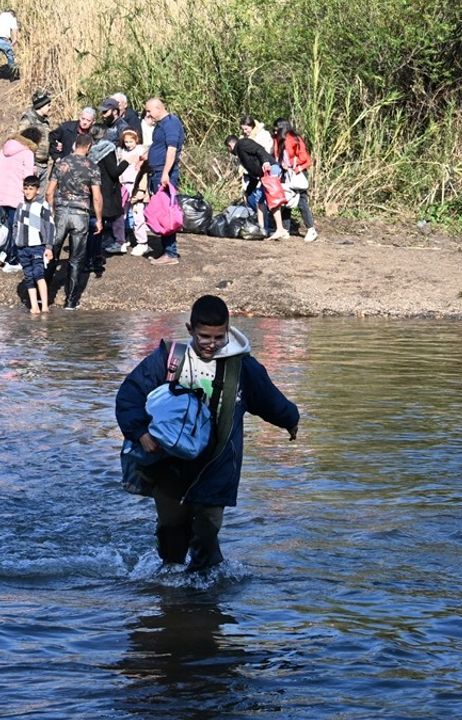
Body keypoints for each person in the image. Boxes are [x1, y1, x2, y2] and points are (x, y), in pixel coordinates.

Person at [115, 294, 299, 572]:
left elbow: (269, 400)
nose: (211, 344)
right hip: (169, 464)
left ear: (228, 331)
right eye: (204, 337)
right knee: (171, 533)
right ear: (190, 330)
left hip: (216, 467)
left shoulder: (243, 367)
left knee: (206, 534)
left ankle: (205, 596)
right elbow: (129, 395)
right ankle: (171, 591)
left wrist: (290, 420)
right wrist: (140, 433)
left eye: (218, 337)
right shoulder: (169, 358)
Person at [46, 133, 103, 310]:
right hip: (81, 214)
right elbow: (97, 197)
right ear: (88, 147)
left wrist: (51, 211)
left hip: (62, 212)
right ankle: (70, 301)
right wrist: (99, 219)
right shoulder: (92, 167)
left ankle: (45, 294)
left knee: (52, 252)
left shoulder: (61, 163)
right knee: (76, 259)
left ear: (74, 145)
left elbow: (49, 192)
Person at [143, 97, 186, 265]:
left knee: (166, 212)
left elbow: (172, 149)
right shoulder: (161, 125)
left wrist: (166, 173)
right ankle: (166, 250)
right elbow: (159, 147)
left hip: (165, 173)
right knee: (160, 211)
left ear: (158, 108)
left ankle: (170, 253)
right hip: (157, 171)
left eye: (149, 111)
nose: (147, 114)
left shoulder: (171, 123)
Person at [0, 127, 41, 272]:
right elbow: (28, 179)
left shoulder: (5, 148)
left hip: (2, 193)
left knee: (10, 226)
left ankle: (4, 254)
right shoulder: (27, 152)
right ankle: (13, 261)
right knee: (18, 229)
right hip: (16, 195)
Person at [226, 135, 287, 241]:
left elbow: (259, 149)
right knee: (259, 199)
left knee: (273, 199)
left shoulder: (242, 144)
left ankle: (280, 229)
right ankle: (262, 230)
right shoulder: (241, 153)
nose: (229, 151)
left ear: (230, 145)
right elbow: (254, 175)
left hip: (270, 168)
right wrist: (247, 192)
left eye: (228, 148)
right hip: (264, 173)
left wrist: (265, 162)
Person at [11, 175, 55, 314]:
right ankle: (34, 306)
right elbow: (15, 226)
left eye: (31, 189)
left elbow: (50, 226)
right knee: (28, 276)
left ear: (37, 190)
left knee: (39, 273)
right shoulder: (20, 206)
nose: (28, 192)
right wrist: (16, 241)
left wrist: (49, 247)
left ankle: (45, 305)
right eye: (25, 189)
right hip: (22, 246)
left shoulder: (43, 205)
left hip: (37, 245)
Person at [273, 119, 318, 242]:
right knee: (286, 202)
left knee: (302, 202)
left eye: (276, 128)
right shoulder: (278, 139)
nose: (275, 131)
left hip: (298, 173)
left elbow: (305, 158)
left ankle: (311, 229)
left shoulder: (294, 139)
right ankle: (285, 230)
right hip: (286, 174)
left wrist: (295, 166)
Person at [93, 128, 130, 258]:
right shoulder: (107, 150)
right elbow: (114, 172)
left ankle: (97, 247)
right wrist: (126, 162)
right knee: (115, 216)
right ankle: (118, 242)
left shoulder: (91, 150)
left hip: (96, 187)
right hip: (108, 188)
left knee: (98, 218)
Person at [19, 89, 54, 184]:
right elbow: (23, 143)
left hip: (44, 165)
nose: (50, 108)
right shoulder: (28, 120)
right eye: (48, 105)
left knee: (40, 197)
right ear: (41, 106)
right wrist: (31, 164)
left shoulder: (45, 122)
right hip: (33, 165)